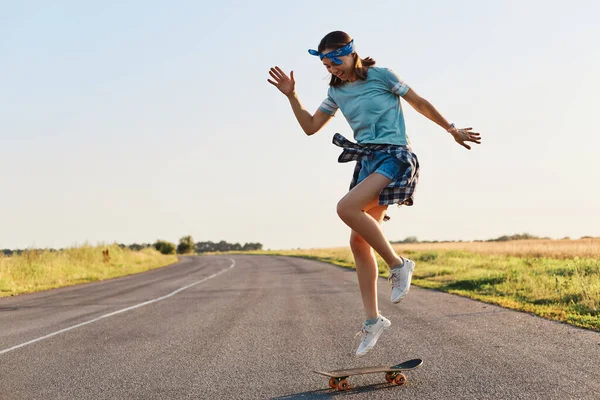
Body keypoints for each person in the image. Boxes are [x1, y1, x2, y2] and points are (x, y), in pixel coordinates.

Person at [267, 31, 481, 357]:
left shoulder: (382, 76)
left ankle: (398, 264)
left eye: (336, 61)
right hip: (368, 163)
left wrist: (451, 128)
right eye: (326, 65)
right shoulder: (335, 92)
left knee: (345, 208)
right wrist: (292, 96)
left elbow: (419, 103)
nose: (332, 69)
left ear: (352, 54)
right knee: (357, 242)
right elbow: (311, 126)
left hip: (394, 156)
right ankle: (373, 321)